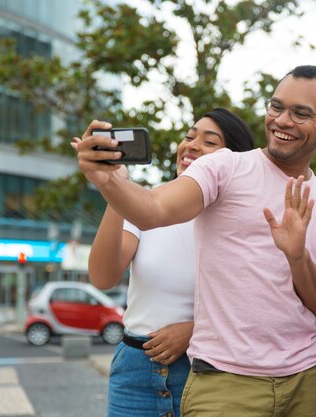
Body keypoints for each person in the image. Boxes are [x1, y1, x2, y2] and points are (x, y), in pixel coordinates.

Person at [74, 65, 316, 417]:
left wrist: (297, 256)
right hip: (224, 383)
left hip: (307, 381)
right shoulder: (225, 167)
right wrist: (109, 182)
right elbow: (153, 209)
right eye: (276, 107)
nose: (282, 120)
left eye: (300, 113)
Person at [74, 108, 254, 417]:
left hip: (206, 371)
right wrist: (115, 187)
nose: (191, 145)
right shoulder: (148, 204)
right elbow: (103, 277)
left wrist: (195, 330)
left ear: (234, 160)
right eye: (189, 136)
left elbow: (258, 303)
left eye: (209, 142)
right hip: (136, 369)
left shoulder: (243, 220)